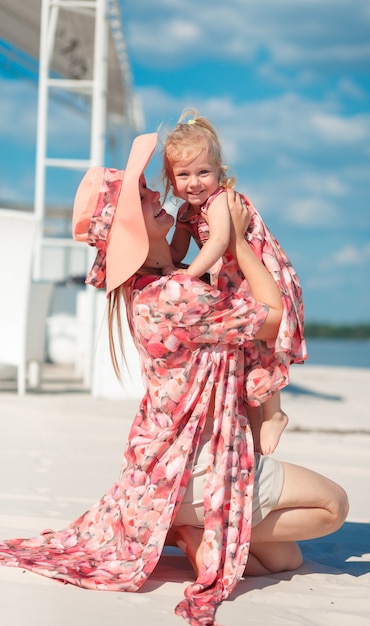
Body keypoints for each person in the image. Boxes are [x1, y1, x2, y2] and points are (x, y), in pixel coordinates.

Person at [0, 133, 348, 626]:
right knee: (334, 507)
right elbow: (273, 317)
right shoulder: (177, 294)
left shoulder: (159, 286)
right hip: (201, 464)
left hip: (165, 469)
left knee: (284, 558)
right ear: (131, 230)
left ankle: (190, 530)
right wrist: (238, 241)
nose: (156, 197)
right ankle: (192, 521)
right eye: (142, 200)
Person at [162, 109, 307, 456]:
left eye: (203, 172)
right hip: (232, 280)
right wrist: (164, 267)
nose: (194, 182)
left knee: (262, 346)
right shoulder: (187, 212)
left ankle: (274, 414)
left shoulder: (220, 202)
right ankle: (257, 425)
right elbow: (177, 250)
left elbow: (218, 242)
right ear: (171, 180)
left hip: (260, 275)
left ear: (219, 172)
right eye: (183, 175)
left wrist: (187, 276)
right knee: (246, 347)